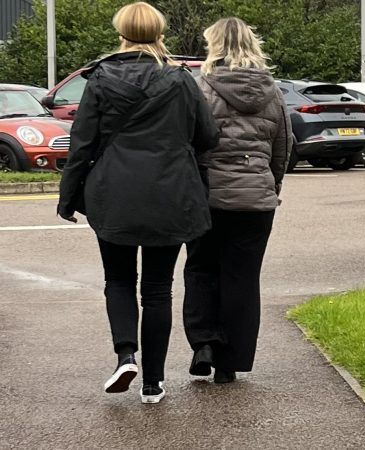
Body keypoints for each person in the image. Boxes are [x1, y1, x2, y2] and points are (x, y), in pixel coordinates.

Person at [56, 1, 217, 404]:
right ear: (159, 32)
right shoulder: (181, 79)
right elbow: (208, 136)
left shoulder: (101, 78)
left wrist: (68, 197)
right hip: (171, 193)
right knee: (159, 289)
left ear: (121, 31)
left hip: (113, 194)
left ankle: (125, 354)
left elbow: (82, 144)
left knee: (119, 280)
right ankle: (153, 383)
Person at [183, 17, 292, 384]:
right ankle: (230, 363)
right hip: (256, 200)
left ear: (213, 45)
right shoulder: (273, 92)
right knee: (243, 279)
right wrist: (270, 185)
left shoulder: (199, 87)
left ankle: (203, 343)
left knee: (201, 269)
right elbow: (282, 147)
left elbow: (189, 142)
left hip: (208, 195)